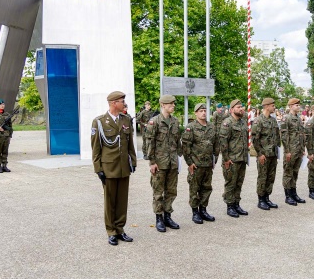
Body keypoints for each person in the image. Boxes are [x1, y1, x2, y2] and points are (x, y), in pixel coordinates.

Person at [91, 91, 137, 245]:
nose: (124, 103)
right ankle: (111, 231)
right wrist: (98, 168)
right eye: (121, 101)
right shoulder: (99, 122)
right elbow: (96, 148)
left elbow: (130, 144)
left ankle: (120, 229)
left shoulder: (126, 119)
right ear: (113, 103)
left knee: (122, 200)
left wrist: (133, 161)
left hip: (124, 167)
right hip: (109, 168)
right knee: (110, 201)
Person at [145, 94, 183, 232]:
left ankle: (168, 216)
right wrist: (152, 162)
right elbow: (150, 142)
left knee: (171, 191)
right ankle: (159, 218)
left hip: (172, 162)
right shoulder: (154, 122)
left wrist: (180, 158)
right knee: (158, 192)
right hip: (159, 163)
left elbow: (177, 141)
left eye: (173, 104)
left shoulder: (175, 122)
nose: (173, 106)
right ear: (163, 105)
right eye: (170, 104)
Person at [182, 103, 220, 224]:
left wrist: (215, 160)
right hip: (196, 164)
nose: (203, 113)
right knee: (194, 189)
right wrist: (189, 163)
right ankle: (195, 212)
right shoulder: (191, 127)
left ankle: (203, 210)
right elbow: (185, 146)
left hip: (208, 164)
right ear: (196, 113)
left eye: (204, 110)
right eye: (201, 111)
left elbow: (216, 144)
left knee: (206, 188)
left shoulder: (211, 126)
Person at [219, 99, 249, 217]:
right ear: (231, 110)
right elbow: (223, 142)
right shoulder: (227, 123)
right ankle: (230, 206)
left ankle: (237, 204)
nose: (241, 109)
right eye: (238, 107)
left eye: (241, 107)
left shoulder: (243, 122)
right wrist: (226, 159)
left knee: (239, 183)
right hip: (231, 159)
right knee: (230, 183)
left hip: (241, 158)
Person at [251, 98, 281, 210]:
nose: (274, 107)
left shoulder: (273, 120)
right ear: (267, 106)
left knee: (270, 177)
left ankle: (267, 198)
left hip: (273, 154)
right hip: (264, 154)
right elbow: (255, 139)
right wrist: (260, 154)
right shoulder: (258, 121)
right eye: (273, 105)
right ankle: (261, 200)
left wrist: (278, 151)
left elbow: (277, 136)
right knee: (262, 177)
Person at [280, 98, 307, 205]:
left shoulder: (299, 119)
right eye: (296, 105)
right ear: (290, 106)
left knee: (295, 172)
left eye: (299, 105)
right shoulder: (286, 118)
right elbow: (284, 135)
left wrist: (303, 149)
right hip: (290, 150)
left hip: (298, 150)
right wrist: (287, 151)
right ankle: (288, 196)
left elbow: (302, 135)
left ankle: (293, 193)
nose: (298, 106)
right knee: (288, 173)